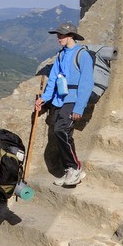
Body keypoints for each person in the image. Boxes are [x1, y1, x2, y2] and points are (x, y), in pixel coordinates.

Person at [36, 22, 94, 188]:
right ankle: (71, 169)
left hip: (73, 100)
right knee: (64, 134)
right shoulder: (61, 55)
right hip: (59, 100)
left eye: (61, 35)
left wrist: (79, 107)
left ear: (71, 36)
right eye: (58, 35)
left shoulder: (82, 55)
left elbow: (87, 83)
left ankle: (75, 168)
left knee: (61, 130)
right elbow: (53, 79)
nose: (58, 38)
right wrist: (44, 99)